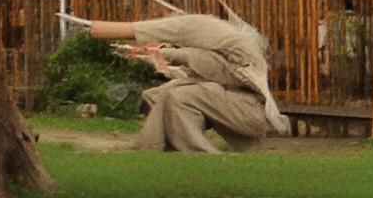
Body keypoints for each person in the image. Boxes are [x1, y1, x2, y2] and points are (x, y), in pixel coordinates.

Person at [87, 14, 290, 153]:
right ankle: (154, 146)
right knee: (158, 93)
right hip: (238, 106)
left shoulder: (237, 51)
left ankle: (198, 152)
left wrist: (164, 53)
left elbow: (206, 64)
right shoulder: (223, 48)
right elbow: (197, 62)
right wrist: (154, 54)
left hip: (252, 112)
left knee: (179, 97)